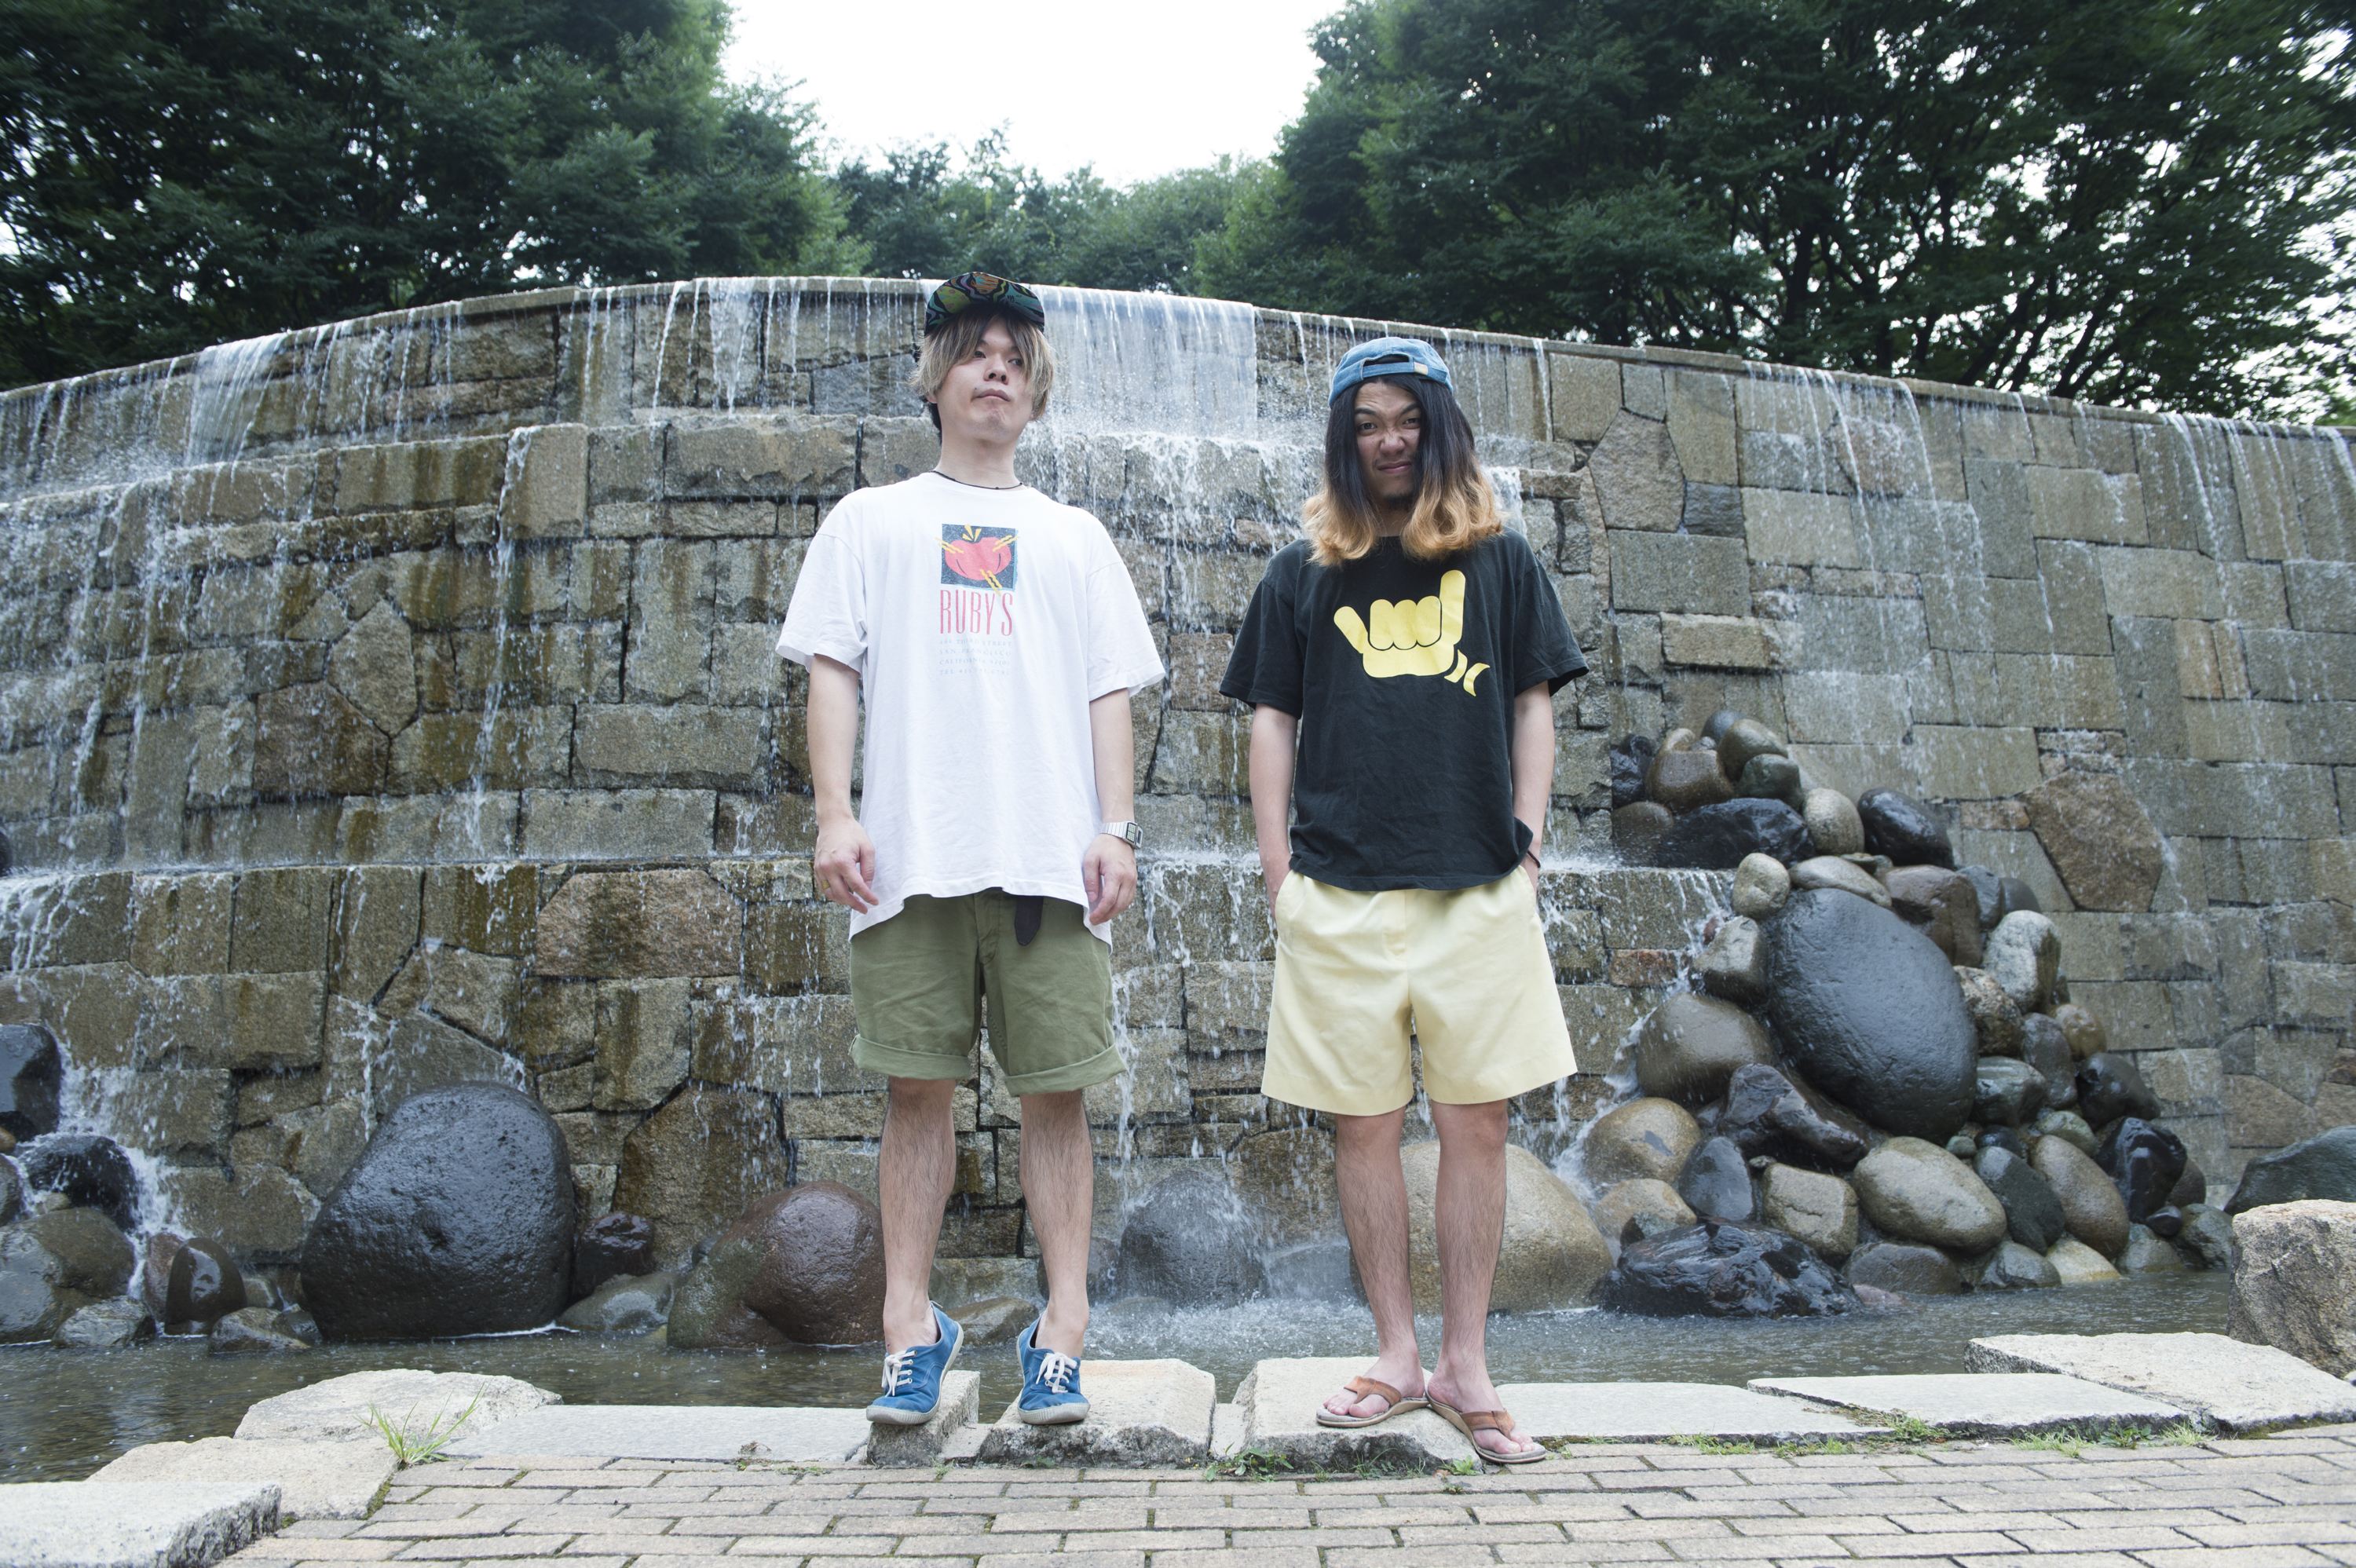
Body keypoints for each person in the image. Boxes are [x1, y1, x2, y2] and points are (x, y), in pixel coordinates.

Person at [777, 272, 1163, 1429]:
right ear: (935, 380)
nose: (995, 367)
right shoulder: (869, 520)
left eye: (1014, 356)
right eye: (973, 351)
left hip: (1051, 865)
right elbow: (833, 671)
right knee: (914, 1092)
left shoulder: (1076, 537)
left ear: (1034, 391)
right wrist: (834, 814)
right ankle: (910, 1331)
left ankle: (1062, 1333)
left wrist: (1116, 828)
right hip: (909, 860)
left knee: (1058, 1097)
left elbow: (1108, 693)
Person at [1220, 336, 1586, 1464]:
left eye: (1408, 419)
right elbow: (1271, 720)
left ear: (1440, 429)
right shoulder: (1302, 571)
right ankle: (1394, 1353)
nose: (1389, 440)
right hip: (1337, 890)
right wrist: (1279, 873)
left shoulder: (1501, 561)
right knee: (1364, 1129)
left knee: (1479, 1125)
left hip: (1479, 884)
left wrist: (1528, 845)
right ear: (1346, 439)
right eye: (1368, 423)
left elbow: (1533, 703)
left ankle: (1465, 1363)